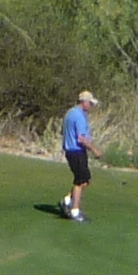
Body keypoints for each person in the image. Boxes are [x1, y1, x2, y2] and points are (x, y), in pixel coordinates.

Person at [60, 90, 98, 222]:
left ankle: (67, 201)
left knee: (86, 180)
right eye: (90, 103)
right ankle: (75, 211)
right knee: (80, 181)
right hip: (76, 151)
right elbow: (81, 138)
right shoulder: (79, 116)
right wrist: (95, 150)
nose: (91, 106)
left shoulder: (70, 113)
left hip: (72, 151)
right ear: (84, 102)